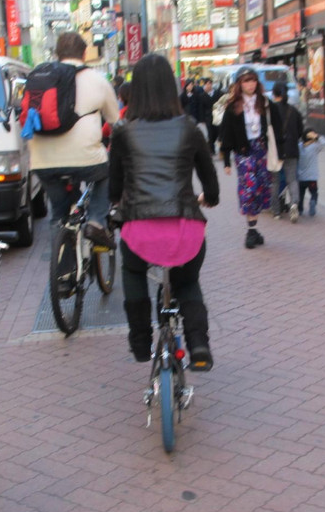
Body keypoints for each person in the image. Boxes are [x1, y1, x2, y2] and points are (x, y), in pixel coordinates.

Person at [109, 54, 220, 370]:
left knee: (132, 271)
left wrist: (117, 203)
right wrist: (209, 198)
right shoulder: (189, 128)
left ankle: (141, 340)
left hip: (139, 226)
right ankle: (199, 344)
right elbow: (210, 183)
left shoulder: (123, 131)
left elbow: (115, 187)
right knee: (187, 281)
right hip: (184, 225)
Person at [30, 32, 120, 247]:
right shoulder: (97, 80)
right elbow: (116, 121)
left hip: (43, 161)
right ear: (84, 53)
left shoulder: (39, 79)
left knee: (58, 217)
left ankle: (60, 276)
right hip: (86, 159)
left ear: (56, 53)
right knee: (106, 174)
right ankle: (96, 222)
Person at [219, 66, 279, 249]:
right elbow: (226, 133)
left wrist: (281, 151)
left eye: (253, 80)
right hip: (243, 151)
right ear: (239, 84)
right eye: (246, 81)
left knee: (260, 188)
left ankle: (254, 228)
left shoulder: (265, 103)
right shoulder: (232, 106)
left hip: (261, 150)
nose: (250, 84)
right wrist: (227, 160)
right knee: (249, 188)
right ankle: (251, 231)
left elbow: (277, 127)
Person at [269, 81, 303, 223]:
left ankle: (276, 211)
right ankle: (294, 203)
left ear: (274, 94)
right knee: (292, 179)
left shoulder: (271, 111)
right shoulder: (294, 111)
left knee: (275, 181)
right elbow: (300, 130)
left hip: (276, 150)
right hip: (292, 149)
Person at [296, 129, 325, 217]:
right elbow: (324, 142)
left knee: (301, 194)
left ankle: (300, 209)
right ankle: (313, 201)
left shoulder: (299, 147)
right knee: (314, 192)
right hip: (312, 177)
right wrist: (317, 136)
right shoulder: (315, 147)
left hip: (301, 177)